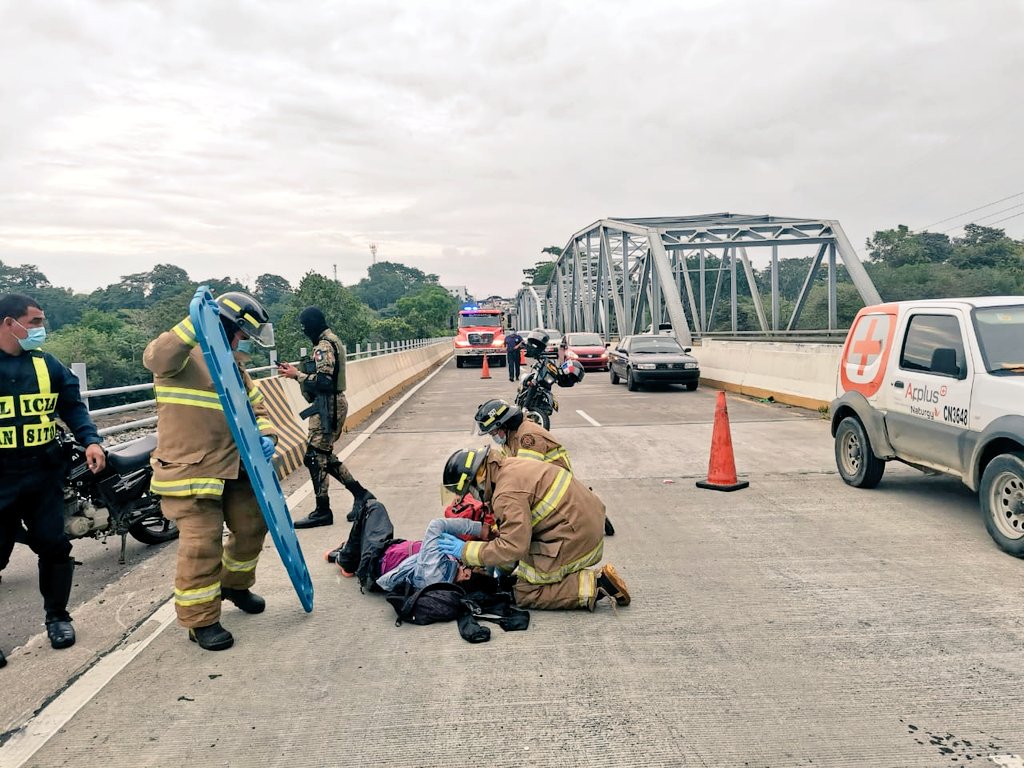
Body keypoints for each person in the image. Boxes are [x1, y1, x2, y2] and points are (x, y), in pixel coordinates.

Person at [143, 291, 278, 651]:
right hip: (191, 471)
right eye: (242, 335)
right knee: (202, 545)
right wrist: (195, 321)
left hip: (236, 467)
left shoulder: (234, 367)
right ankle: (201, 620)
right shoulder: (183, 359)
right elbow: (156, 358)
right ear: (226, 328)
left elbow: (258, 409)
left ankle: (234, 585)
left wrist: (267, 436)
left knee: (253, 527)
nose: (244, 344)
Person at [0, 293, 107, 663]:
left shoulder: (47, 366)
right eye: (34, 322)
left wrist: (91, 440)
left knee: (54, 547)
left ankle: (58, 617)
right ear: (9, 323)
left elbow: (73, 407)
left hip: (43, 475)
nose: (41, 329)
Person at [437, 446, 630, 611]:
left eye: (468, 492)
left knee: (525, 591)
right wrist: (499, 568)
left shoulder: (505, 494)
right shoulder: (507, 467)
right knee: (523, 571)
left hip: (578, 537)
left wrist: (466, 551)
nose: (471, 497)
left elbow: (514, 547)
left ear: (476, 480)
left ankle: (598, 584)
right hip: (583, 522)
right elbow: (514, 533)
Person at [278, 307, 375, 528]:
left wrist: (297, 375)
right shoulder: (331, 340)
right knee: (322, 455)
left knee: (315, 457)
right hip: (328, 404)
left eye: (305, 326)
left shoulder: (324, 345)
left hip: (328, 406)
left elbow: (324, 381)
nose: (304, 331)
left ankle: (323, 510)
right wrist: (296, 373)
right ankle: (361, 494)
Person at [473, 398, 616, 535]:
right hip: (548, 479)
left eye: (493, 432)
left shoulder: (528, 436)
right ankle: (587, 503)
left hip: (554, 483)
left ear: (503, 425)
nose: (493, 436)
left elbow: (524, 477)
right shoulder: (510, 436)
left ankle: (588, 505)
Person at [375, 517, 491, 593]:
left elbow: (436, 525)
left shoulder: (437, 570)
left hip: (380, 556)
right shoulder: (446, 578)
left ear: (466, 576)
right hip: (392, 552)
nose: (465, 564)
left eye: (469, 567)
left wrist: (478, 529)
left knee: (375, 507)